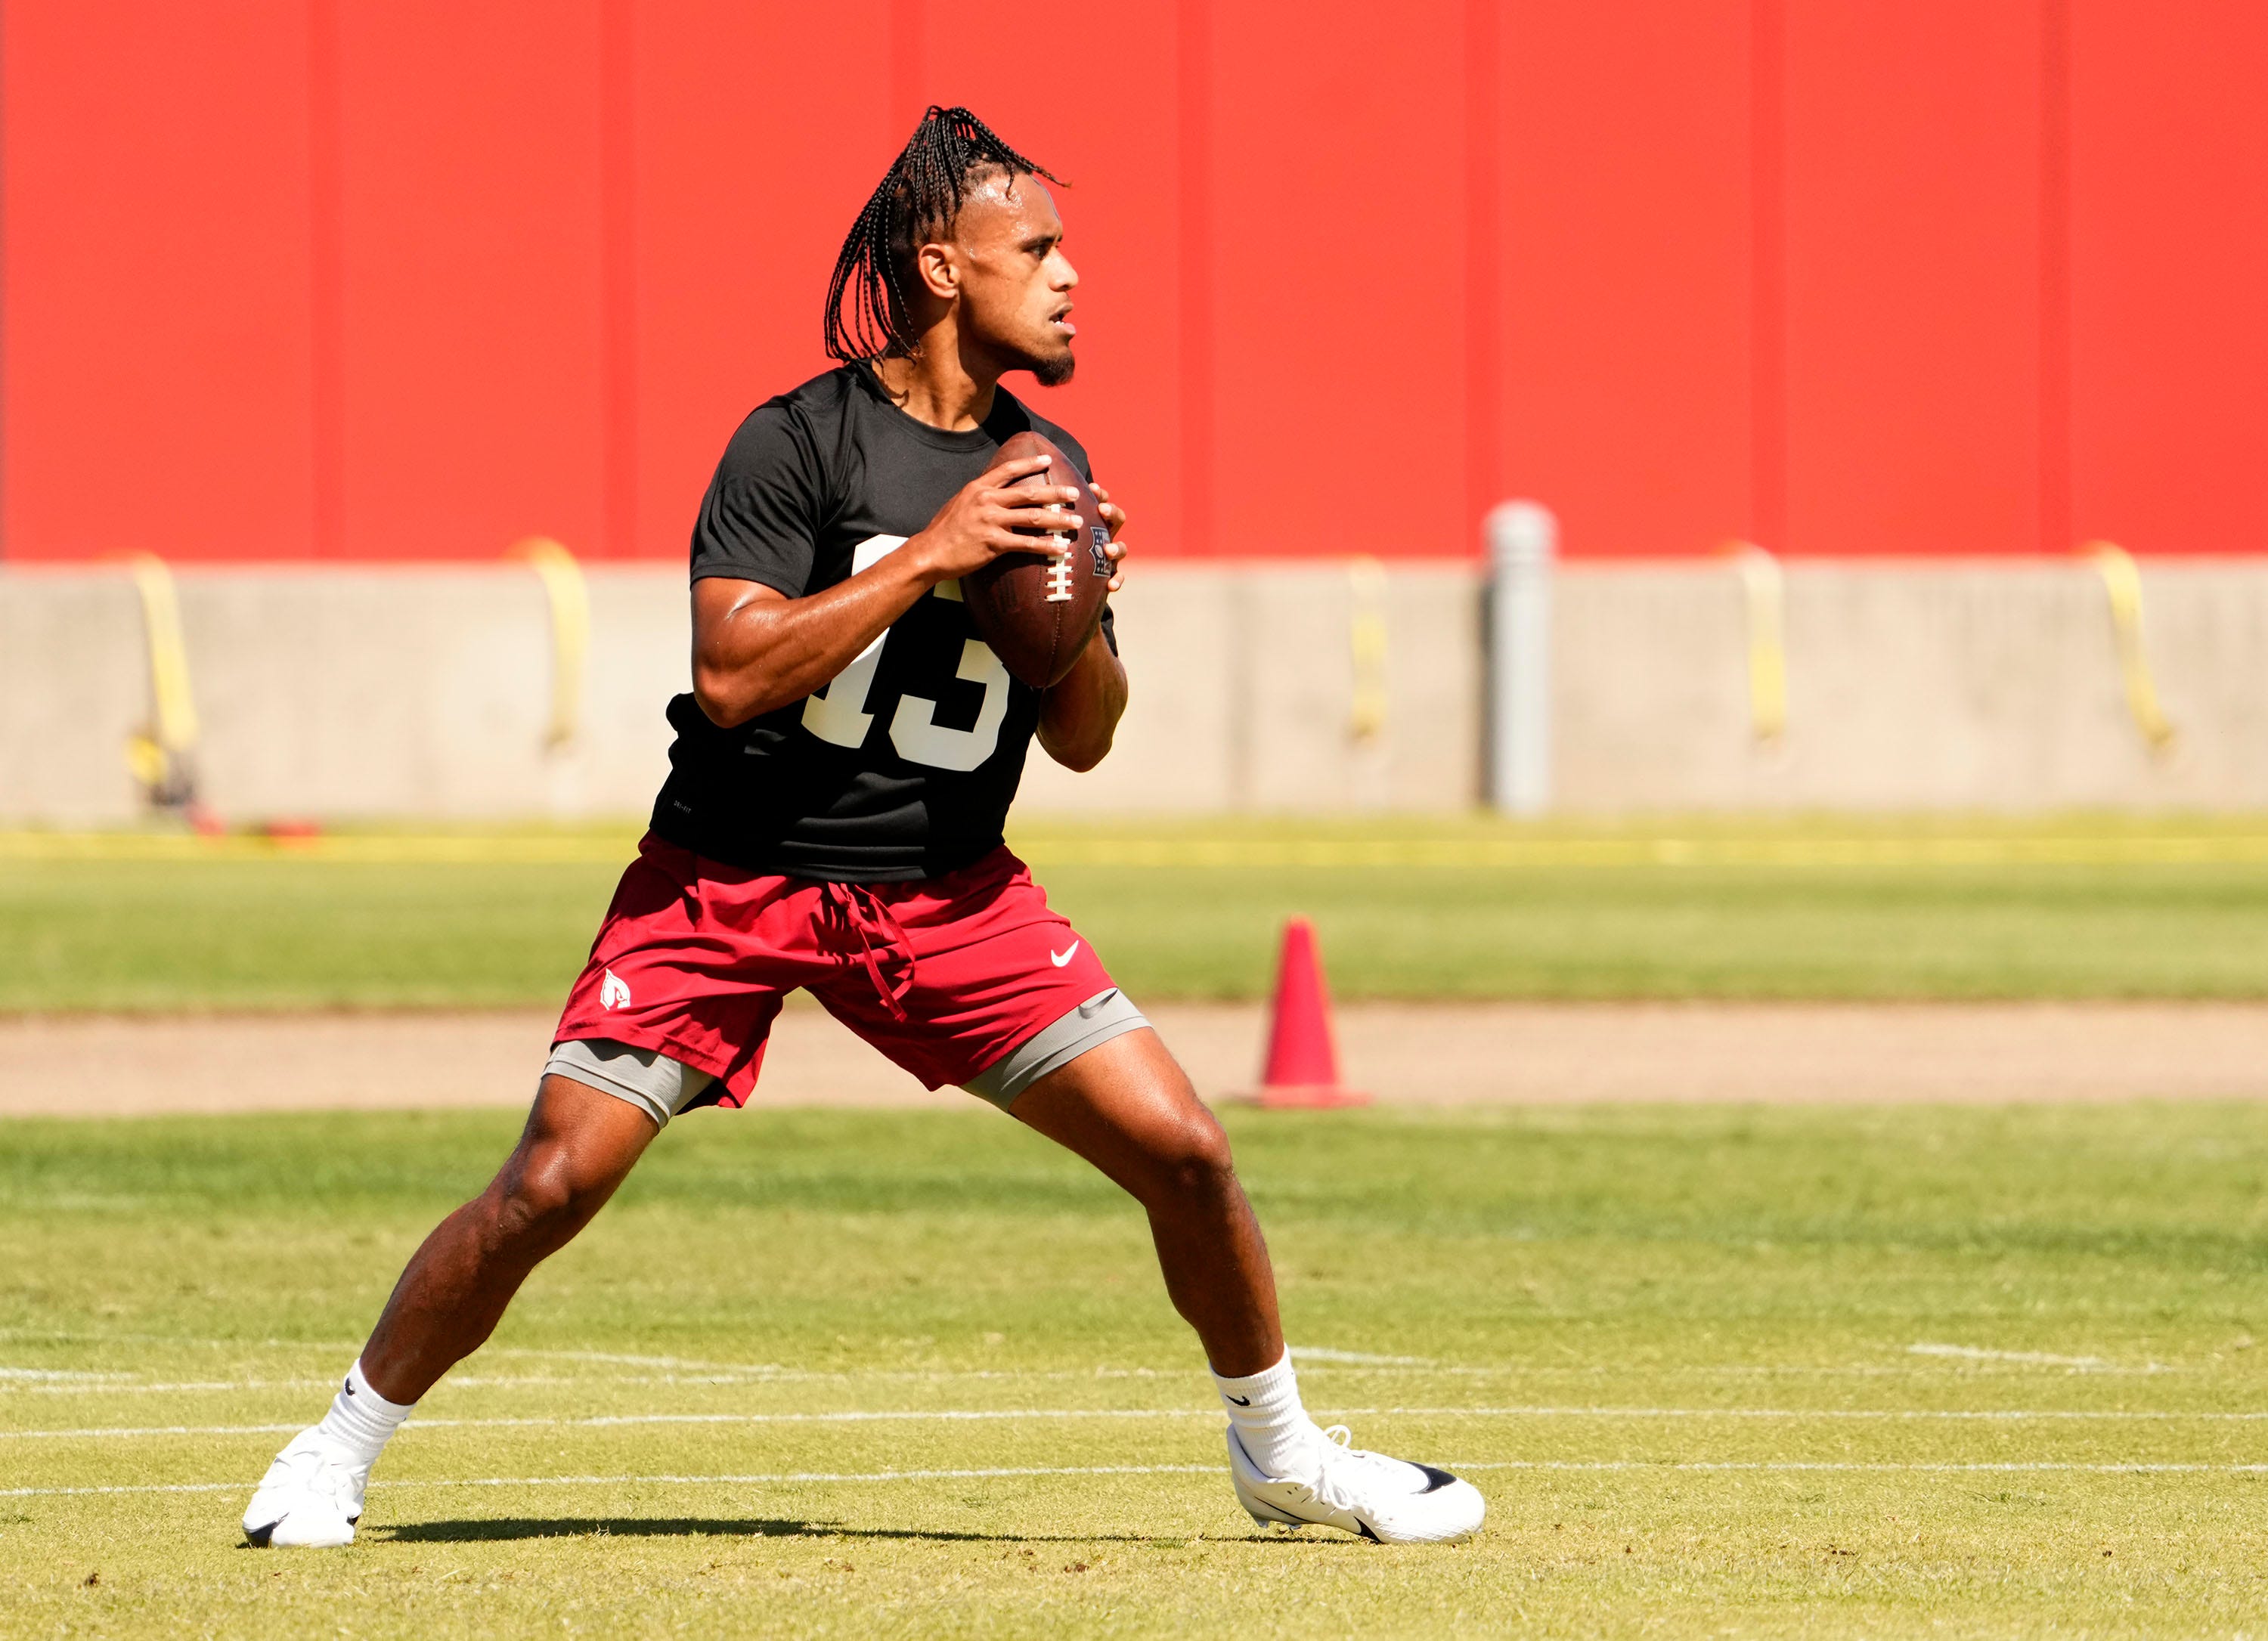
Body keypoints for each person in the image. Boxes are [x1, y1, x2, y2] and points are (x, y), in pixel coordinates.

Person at [243, 107, 1484, 1550]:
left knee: (1189, 1151)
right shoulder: (796, 444)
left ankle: (1282, 1451)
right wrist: (940, 554)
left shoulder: (1046, 459)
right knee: (552, 1179)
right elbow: (730, 676)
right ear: (944, 266)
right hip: (731, 878)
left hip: (947, 894)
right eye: (1039, 247)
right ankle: (336, 1448)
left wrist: (1077, 619)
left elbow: (1082, 739)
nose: (1073, 275)